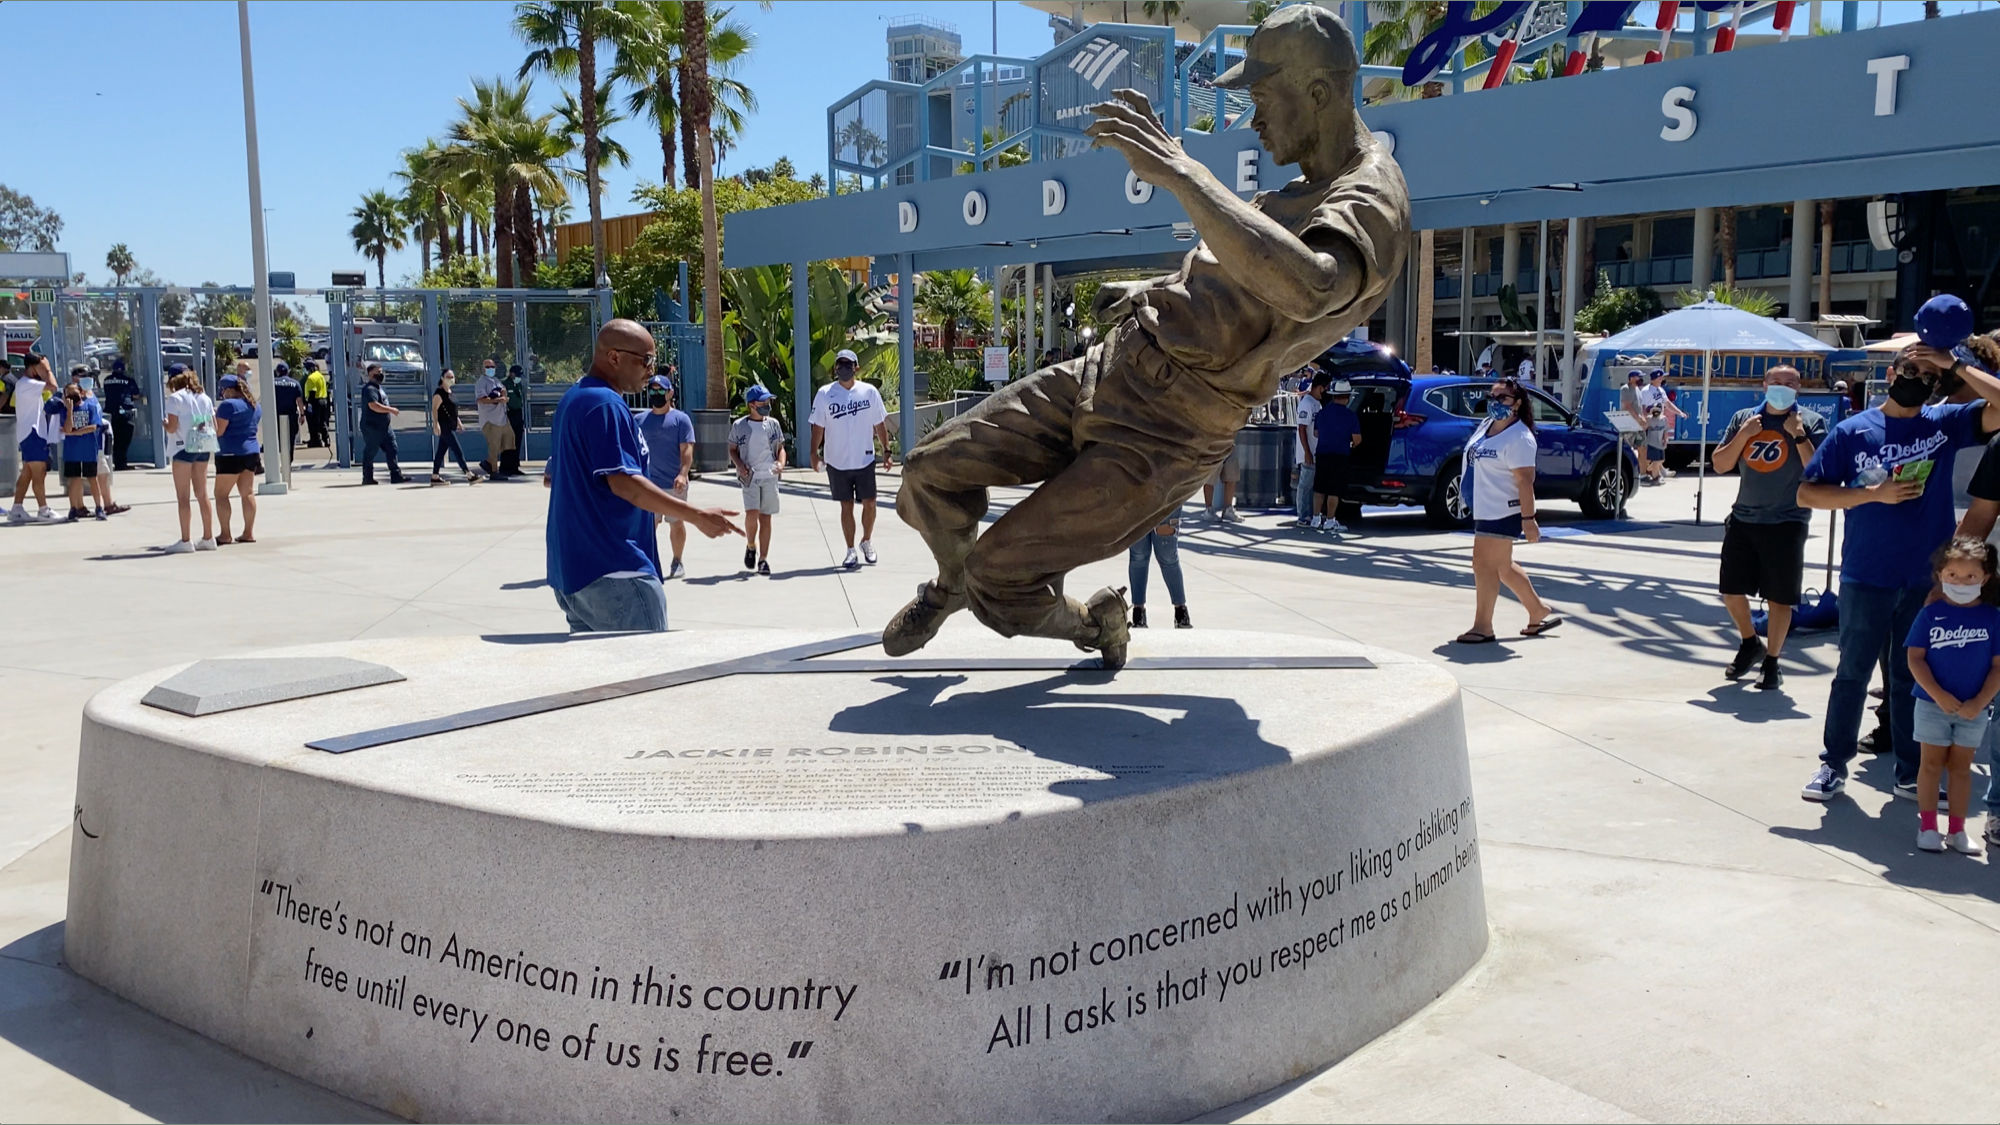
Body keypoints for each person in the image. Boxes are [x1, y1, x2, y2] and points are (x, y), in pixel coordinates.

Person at [884, 5, 1407, 667]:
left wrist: (1184, 173)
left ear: (1319, 93)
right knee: (928, 471)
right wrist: (1150, 291)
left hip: (1167, 432)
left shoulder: (1371, 198)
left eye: (1262, 97)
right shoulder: (1302, 187)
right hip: (1113, 368)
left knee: (999, 573)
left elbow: (1312, 287)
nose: (1255, 118)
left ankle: (1092, 621)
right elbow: (1234, 279)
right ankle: (953, 582)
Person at [1798, 344, 2000, 802]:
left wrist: (1957, 365)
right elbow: (1808, 494)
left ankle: (1911, 771)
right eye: (1912, 369)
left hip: (1925, 581)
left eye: (1930, 376)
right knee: (1852, 671)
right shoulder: (1852, 432)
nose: (1919, 380)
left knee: (1910, 676)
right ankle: (1833, 764)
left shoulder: (1944, 425)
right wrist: (1873, 495)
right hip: (1866, 574)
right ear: (1891, 373)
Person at [545, 319, 741, 632]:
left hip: (574, 574)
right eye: (646, 360)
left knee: (610, 682)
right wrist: (696, 515)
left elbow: (553, 475)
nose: (651, 370)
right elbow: (625, 484)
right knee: (650, 678)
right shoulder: (605, 404)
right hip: (615, 574)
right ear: (613, 357)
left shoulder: (574, 399)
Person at [1710, 364, 1826, 691]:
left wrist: (1799, 434)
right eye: (1776, 382)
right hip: (1744, 517)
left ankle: (1772, 661)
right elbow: (1720, 464)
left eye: (1789, 383)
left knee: (1780, 598)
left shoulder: (1811, 421)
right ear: (1764, 385)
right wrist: (1744, 435)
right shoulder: (1745, 418)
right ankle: (1750, 642)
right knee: (1731, 592)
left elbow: (1819, 471)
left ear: (1798, 389)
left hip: (1787, 521)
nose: (1782, 387)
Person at [1904, 537, 2000, 854]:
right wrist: (1939, 695)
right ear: (1940, 575)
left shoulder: (1993, 618)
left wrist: (1980, 701)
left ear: (1985, 578)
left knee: (1961, 768)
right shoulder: (1930, 615)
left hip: (1974, 710)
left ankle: (1957, 831)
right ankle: (1928, 827)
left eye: (1970, 576)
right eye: (1952, 575)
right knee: (1930, 766)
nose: (1960, 582)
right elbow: (1915, 658)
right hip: (1932, 705)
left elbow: (1998, 668)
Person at [1455, 378, 1560, 644]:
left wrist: (1529, 519)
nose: (1496, 402)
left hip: (1502, 510)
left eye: (1503, 398)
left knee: (1483, 565)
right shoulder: (1487, 425)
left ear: (1518, 404)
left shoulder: (1520, 438)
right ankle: (1537, 610)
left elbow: (1525, 481)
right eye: (1493, 396)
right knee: (1502, 566)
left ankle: (1483, 626)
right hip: (1483, 507)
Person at [810, 349, 892, 569]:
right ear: (835, 368)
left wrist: (886, 449)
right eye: (840, 364)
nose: (844, 368)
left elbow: (880, 423)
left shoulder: (869, 392)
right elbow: (818, 426)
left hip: (864, 459)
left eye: (848, 364)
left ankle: (866, 541)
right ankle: (850, 550)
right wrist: (813, 453)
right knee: (846, 506)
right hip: (837, 462)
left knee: (870, 503)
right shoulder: (825, 393)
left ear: (856, 367)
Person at [636, 374, 695, 578]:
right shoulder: (639, 420)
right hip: (647, 485)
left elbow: (687, 449)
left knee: (676, 521)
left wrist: (682, 474)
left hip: (674, 484)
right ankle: (647, 561)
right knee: (648, 524)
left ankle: (677, 561)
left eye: (661, 390)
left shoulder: (681, 420)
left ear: (670, 393)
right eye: (652, 390)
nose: (656, 394)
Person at [730, 385, 787, 576]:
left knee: (766, 518)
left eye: (768, 402)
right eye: (763, 402)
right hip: (750, 477)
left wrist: (780, 462)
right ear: (752, 405)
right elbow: (732, 449)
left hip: (769, 476)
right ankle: (750, 545)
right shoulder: (739, 426)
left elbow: (780, 448)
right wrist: (739, 464)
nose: (767, 405)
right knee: (752, 514)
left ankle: (763, 559)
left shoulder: (773, 424)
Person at [158, 367, 217, 553]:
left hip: (183, 446)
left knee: (183, 496)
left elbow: (172, 427)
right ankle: (208, 537)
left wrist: (165, 424)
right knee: (202, 493)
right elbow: (214, 425)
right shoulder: (205, 397)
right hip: (203, 444)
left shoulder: (175, 398)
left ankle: (185, 540)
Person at [8, 354, 62, 523]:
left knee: (27, 474)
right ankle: (43, 510)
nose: (42, 371)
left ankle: (16, 508)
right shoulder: (27, 384)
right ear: (32, 367)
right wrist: (48, 369)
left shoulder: (26, 384)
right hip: (33, 434)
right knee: (39, 474)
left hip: (30, 434)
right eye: (39, 367)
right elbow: (53, 386)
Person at [212, 373, 263, 544]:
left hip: (229, 453)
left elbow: (219, 431)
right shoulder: (255, 405)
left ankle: (225, 534)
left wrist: (211, 418)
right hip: (251, 452)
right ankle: (248, 532)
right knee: (247, 493)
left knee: (221, 494)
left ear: (228, 390)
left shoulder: (228, 405)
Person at [1310, 378, 1361, 533]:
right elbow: (1357, 439)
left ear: (1333, 395)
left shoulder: (1322, 413)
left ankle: (1315, 518)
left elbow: (1316, 433)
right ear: (1347, 397)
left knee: (1319, 488)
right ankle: (1330, 520)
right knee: (1334, 490)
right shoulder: (1350, 416)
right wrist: (1349, 444)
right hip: (1340, 455)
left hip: (1322, 453)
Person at [1127, 517, 1191, 629]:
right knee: (1138, 555)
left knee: (1168, 555)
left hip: (1166, 502)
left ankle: (1180, 610)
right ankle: (1138, 611)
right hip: (1136, 504)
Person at [59, 381, 107, 521]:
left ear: (81, 392)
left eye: (74, 391)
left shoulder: (90, 407)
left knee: (92, 479)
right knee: (74, 480)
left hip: (88, 450)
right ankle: (73, 508)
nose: (72, 395)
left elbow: (93, 426)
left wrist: (75, 433)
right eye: (69, 393)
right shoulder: (65, 411)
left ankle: (99, 507)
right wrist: (69, 411)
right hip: (72, 452)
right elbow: (66, 429)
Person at [358, 363, 406, 485]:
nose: (381, 374)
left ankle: (396, 475)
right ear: (370, 374)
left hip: (385, 427)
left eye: (381, 371)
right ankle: (367, 477)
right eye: (377, 372)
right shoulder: (369, 389)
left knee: (392, 448)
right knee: (371, 451)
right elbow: (373, 406)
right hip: (372, 427)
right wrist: (391, 410)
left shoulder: (379, 388)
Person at [428, 368, 478, 485]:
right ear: (442, 378)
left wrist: (459, 422)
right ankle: (468, 474)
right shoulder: (439, 394)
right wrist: (436, 425)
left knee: (440, 452)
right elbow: (434, 409)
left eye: (452, 377)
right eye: (448, 377)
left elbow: (453, 411)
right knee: (457, 450)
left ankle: (435, 476)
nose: (451, 379)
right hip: (444, 426)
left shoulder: (450, 392)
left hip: (451, 426)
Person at [475, 359, 517, 479]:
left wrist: (504, 395)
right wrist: (497, 400)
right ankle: (494, 471)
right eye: (488, 367)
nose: (490, 369)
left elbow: (503, 391)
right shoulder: (481, 382)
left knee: (510, 438)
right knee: (494, 445)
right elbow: (481, 399)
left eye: (492, 366)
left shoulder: (496, 380)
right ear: (483, 369)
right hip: (490, 420)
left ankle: (488, 462)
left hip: (502, 418)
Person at [1292, 368, 1323, 525]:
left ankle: (1312, 514)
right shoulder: (1307, 404)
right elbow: (1302, 428)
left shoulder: (1317, 404)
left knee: (1312, 485)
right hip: (1308, 451)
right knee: (1305, 485)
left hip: (1316, 450)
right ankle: (1303, 515)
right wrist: (1307, 452)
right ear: (1319, 388)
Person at [100, 357, 142, 470]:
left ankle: (115, 461)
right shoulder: (128, 380)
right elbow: (136, 395)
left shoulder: (106, 380)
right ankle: (121, 464)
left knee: (114, 438)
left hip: (110, 412)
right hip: (124, 412)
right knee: (124, 439)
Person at [272, 360, 303, 462]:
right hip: (291, 415)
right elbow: (299, 401)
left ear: (277, 372)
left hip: (276, 415)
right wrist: (302, 415)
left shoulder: (272, 383)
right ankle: (289, 459)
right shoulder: (295, 383)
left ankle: (278, 460)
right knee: (290, 438)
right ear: (288, 371)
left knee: (277, 438)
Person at [1203, 444, 1243, 522]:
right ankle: (1209, 510)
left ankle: (1228, 509)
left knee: (1232, 476)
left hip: (1229, 445)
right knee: (1210, 479)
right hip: (1213, 445)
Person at [504, 362, 528, 474]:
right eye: (517, 375)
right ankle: (506, 467)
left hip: (518, 414)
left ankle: (514, 467)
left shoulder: (517, 384)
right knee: (508, 442)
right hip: (508, 414)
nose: (518, 377)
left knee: (517, 441)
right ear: (511, 374)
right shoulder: (504, 384)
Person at [303, 361, 331, 448]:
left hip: (315, 401)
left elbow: (312, 392)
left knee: (313, 422)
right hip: (323, 400)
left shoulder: (311, 378)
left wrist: (308, 405)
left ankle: (316, 441)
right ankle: (326, 439)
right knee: (322, 422)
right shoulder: (320, 376)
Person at [1642, 405, 1669, 485]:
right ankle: (1655, 478)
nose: (1655, 412)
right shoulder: (1649, 419)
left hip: (1660, 443)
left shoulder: (1664, 419)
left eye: (1657, 410)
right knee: (1656, 461)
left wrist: (1665, 439)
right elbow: (1644, 427)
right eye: (1654, 410)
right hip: (1651, 443)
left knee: (1661, 460)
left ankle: (1649, 468)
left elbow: (1665, 430)